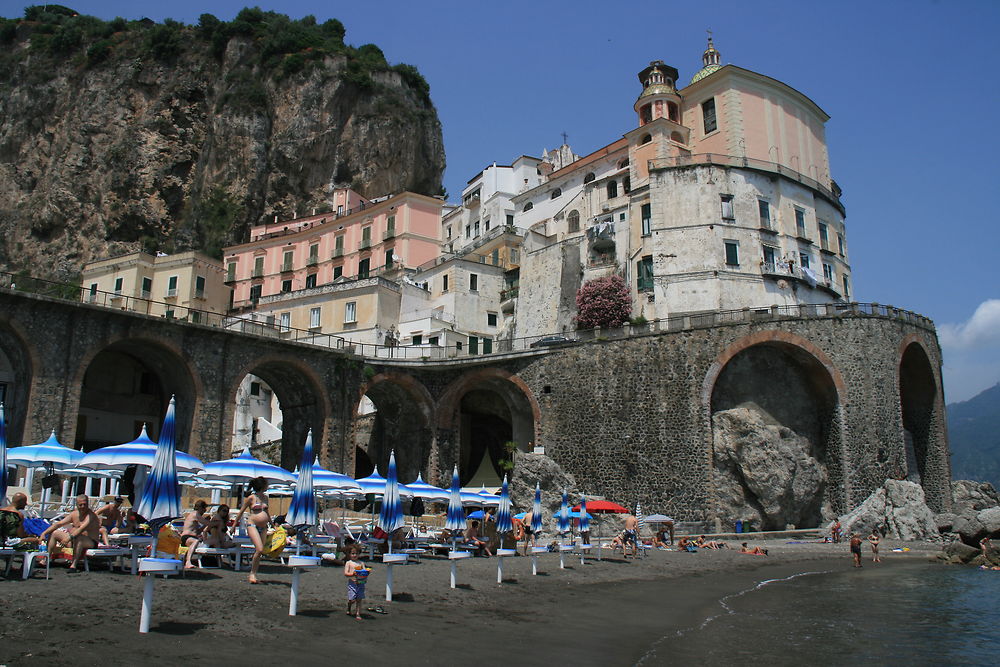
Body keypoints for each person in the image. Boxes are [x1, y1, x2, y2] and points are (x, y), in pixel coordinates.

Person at [40, 495, 100, 571]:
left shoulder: (91, 516)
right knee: (55, 533)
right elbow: (59, 524)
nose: (83, 506)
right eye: (80, 505)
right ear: (76, 504)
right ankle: (46, 559)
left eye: (85, 504)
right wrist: (44, 533)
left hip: (90, 542)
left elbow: (81, 528)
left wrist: (69, 537)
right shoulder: (74, 514)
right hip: (74, 540)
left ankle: (73, 565)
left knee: (79, 537)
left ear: (88, 504)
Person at [235, 477, 271, 584]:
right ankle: (252, 573)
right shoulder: (251, 498)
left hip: (264, 527)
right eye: (266, 484)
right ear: (262, 485)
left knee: (260, 552)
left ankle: (254, 573)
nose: (267, 486)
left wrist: (273, 524)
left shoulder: (266, 498)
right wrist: (233, 525)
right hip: (252, 525)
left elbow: (267, 513)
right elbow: (241, 512)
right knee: (259, 549)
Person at [179, 500, 210, 569]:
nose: (204, 511)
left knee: (202, 541)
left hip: (190, 537)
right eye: (204, 509)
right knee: (195, 541)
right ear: (200, 508)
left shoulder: (195, 515)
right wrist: (215, 522)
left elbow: (198, 531)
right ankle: (188, 562)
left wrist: (206, 524)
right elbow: (208, 524)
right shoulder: (195, 514)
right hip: (186, 537)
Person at [344, 544, 368, 621]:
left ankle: (358, 613)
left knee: (359, 599)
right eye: (353, 553)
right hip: (352, 583)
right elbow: (346, 573)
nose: (354, 555)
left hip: (360, 582)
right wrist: (352, 574)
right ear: (349, 554)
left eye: (356, 553)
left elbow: (364, 572)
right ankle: (349, 607)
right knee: (352, 599)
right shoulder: (349, 563)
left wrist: (365, 574)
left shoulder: (361, 563)